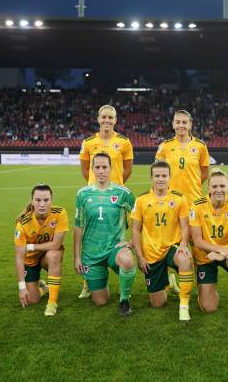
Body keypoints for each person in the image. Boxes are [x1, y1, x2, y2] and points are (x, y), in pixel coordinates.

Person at [77, 104, 134, 299]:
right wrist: (94, 185)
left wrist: (115, 186)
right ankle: (88, 280)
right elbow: (85, 170)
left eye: (111, 118)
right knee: (88, 235)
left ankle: (119, 270)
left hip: (116, 198)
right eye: (104, 117)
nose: (107, 121)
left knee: (117, 236)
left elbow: (127, 169)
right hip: (94, 196)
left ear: (115, 120)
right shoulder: (88, 142)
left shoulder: (124, 142)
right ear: (98, 119)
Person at [74, 153, 136, 317]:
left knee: (127, 260)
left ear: (111, 169)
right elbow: (78, 226)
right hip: (91, 253)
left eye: (104, 167)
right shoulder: (82, 194)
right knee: (100, 301)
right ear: (92, 169)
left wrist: (132, 242)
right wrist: (77, 257)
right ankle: (99, 279)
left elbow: (141, 217)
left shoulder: (123, 193)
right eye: (97, 167)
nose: (101, 171)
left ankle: (124, 300)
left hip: (114, 249)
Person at [131, 161, 194, 321]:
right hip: (152, 253)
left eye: (164, 176)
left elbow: (185, 227)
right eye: (157, 176)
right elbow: (135, 230)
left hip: (172, 247)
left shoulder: (179, 198)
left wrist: (183, 245)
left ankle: (184, 307)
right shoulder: (141, 200)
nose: (161, 179)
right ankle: (169, 282)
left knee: (185, 260)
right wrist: (140, 256)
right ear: (151, 178)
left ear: (169, 177)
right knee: (158, 303)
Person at [155, 109, 209, 294]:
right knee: (171, 240)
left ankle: (198, 280)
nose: (181, 125)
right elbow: (158, 172)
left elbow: (204, 173)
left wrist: (192, 189)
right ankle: (171, 279)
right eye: (178, 122)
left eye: (184, 122)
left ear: (190, 124)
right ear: (173, 124)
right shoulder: (165, 146)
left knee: (195, 242)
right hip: (171, 202)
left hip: (193, 202)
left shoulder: (200, 147)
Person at [189, 169, 228, 322]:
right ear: (208, 188)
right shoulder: (197, 206)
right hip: (205, 256)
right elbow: (197, 241)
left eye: (222, 186)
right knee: (208, 308)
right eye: (215, 186)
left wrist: (225, 253)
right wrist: (219, 249)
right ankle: (206, 290)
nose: (219, 190)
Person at [14, 184, 68, 317]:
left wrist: (31, 247)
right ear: (32, 201)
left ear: (51, 200)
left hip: (47, 256)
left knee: (54, 254)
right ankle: (43, 287)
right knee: (32, 300)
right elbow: (19, 257)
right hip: (30, 260)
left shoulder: (60, 213)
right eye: (38, 200)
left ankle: (52, 303)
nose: (42, 204)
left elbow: (56, 245)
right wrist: (21, 288)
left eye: (46, 200)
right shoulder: (22, 224)